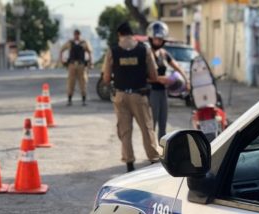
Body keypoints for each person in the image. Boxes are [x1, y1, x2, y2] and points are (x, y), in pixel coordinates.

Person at [102, 22, 159, 172]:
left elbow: (106, 78)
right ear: (132, 34)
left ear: (119, 34)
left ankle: (129, 164)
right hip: (139, 95)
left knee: (125, 131)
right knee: (147, 129)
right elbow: (154, 75)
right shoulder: (144, 49)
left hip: (120, 96)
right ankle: (153, 161)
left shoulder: (112, 51)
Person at [146, 21, 190, 140]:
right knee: (152, 123)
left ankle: (162, 150)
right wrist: (160, 79)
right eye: (156, 39)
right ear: (151, 38)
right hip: (152, 92)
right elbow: (143, 76)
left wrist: (186, 80)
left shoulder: (164, 53)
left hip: (163, 92)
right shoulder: (147, 53)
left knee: (163, 123)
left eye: (160, 39)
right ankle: (152, 149)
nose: (158, 41)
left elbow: (177, 66)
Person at [59, 29, 93, 106]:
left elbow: (90, 52)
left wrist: (90, 63)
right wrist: (62, 60)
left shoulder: (84, 43)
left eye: (78, 34)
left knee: (83, 83)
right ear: (74, 35)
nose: (77, 36)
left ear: (80, 35)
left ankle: (84, 100)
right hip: (72, 65)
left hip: (81, 65)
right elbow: (61, 50)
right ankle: (69, 99)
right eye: (75, 34)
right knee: (71, 82)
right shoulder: (70, 43)